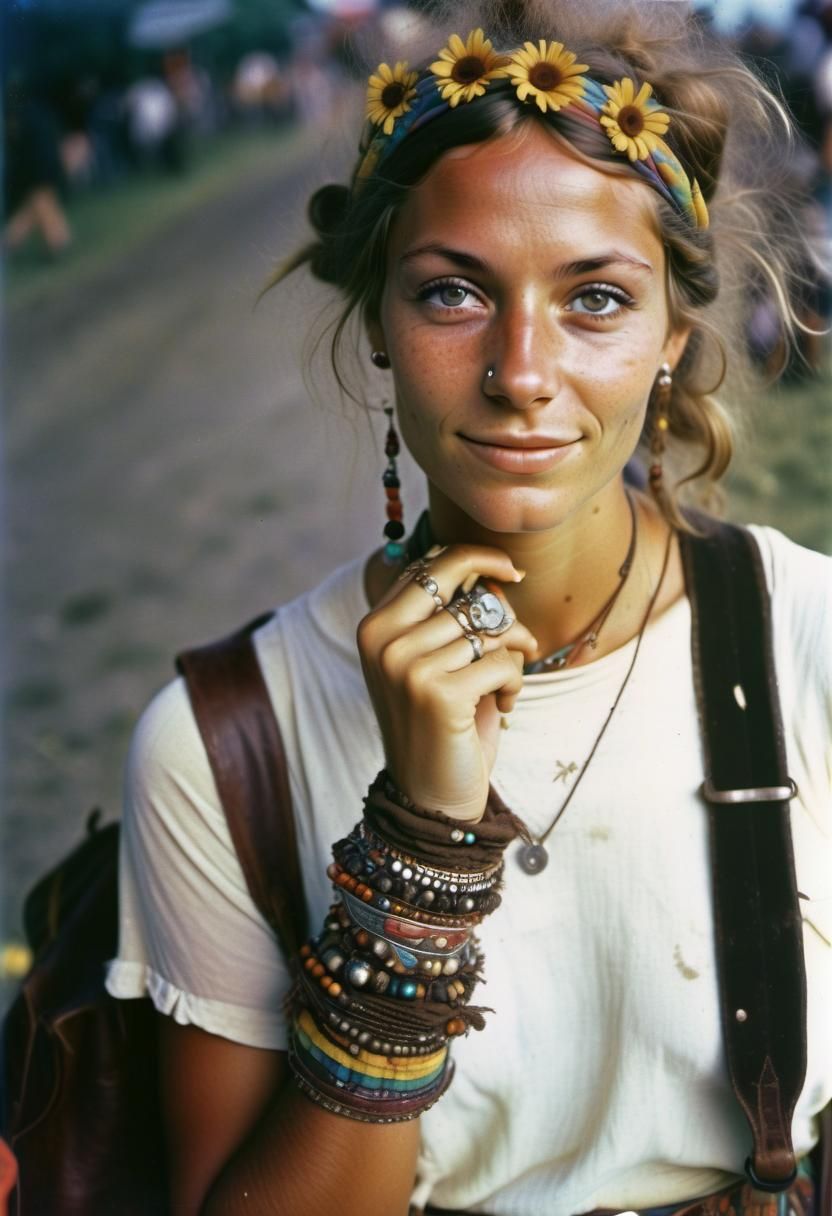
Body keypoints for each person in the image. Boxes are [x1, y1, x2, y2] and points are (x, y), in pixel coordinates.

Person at [104, 2, 831, 1213]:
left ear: (670, 335)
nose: (522, 373)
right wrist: (414, 850)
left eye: (595, 298)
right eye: (452, 294)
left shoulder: (811, 639)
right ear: (378, 322)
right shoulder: (220, 743)